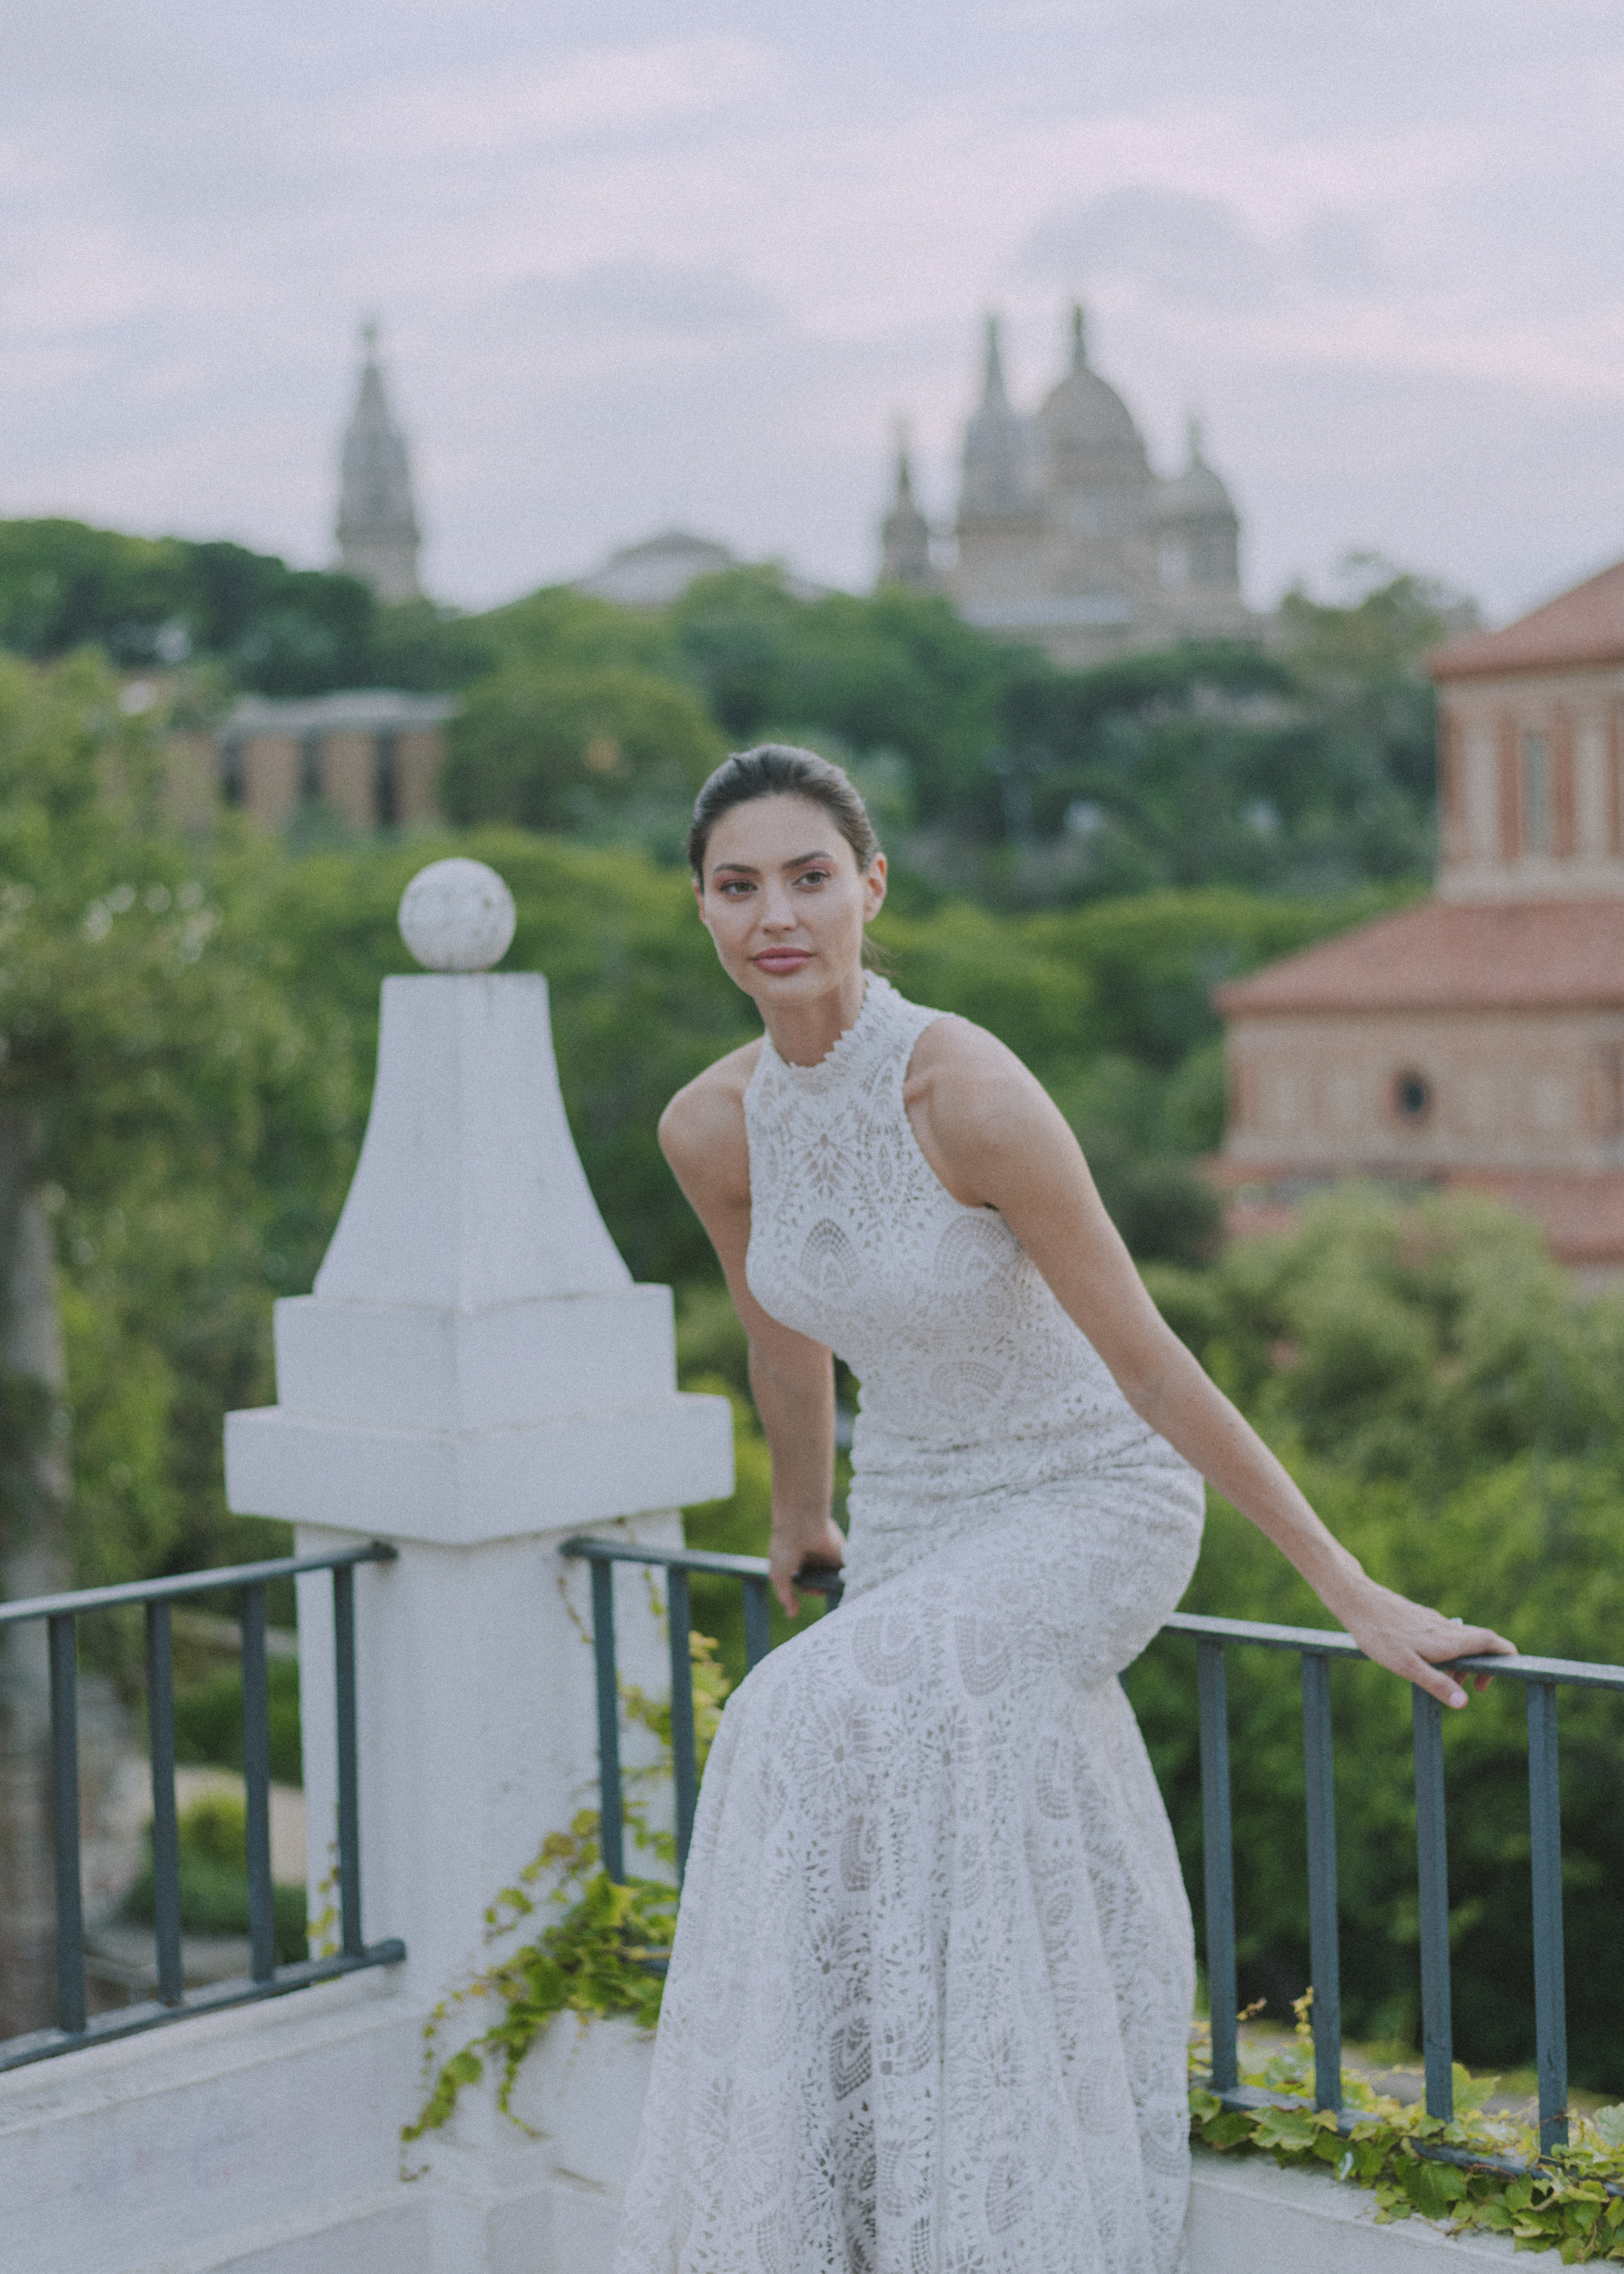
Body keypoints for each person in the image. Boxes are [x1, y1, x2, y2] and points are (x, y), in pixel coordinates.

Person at [616, 745, 1512, 2274]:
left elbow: (1153, 1366)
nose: (778, 913)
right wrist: (803, 1516)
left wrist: (1353, 1591)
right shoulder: (710, 1126)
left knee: (787, 1715)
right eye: (738, 884)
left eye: (810, 876)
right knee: (878, 1771)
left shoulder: (965, 1088)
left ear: (871, 886)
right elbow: (785, 1338)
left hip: (1087, 1490)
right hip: (909, 1514)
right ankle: (867, 2204)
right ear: (701, 907)